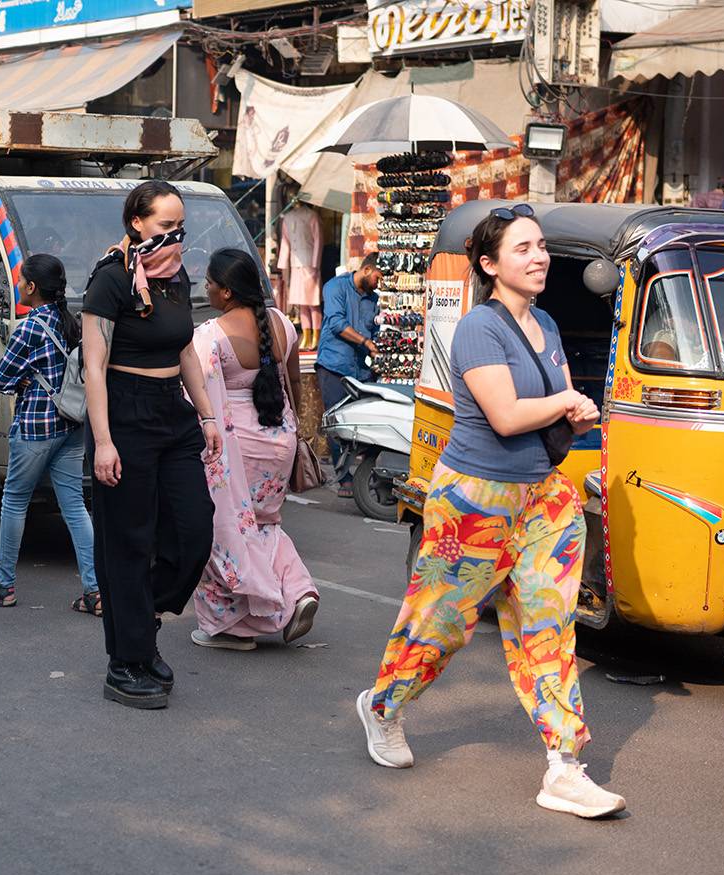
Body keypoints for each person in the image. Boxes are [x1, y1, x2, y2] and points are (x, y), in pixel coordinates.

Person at [354, 205, 621, 818]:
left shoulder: (547, 325)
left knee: (550, 626)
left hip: (543, 498)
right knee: (442, 624)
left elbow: (549, 405)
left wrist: (573, 411)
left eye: (541, 247)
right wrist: (566, 402)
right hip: (475, 499)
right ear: (490, 264)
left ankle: (564, 766)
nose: (539, 257)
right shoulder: (479, 327)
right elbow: (505, 416)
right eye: (523, 248)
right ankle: (383, 706)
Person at [82, 181, 221, 710]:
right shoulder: (111, 280)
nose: (175, 236)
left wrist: (205, 414)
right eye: (165, 226)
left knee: (194, 531)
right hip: (125, 410)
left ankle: (142, 616)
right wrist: (103, 442)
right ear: (136, 223)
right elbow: (94, 365)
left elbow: (185, 348)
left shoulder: (175, 277)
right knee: (129, 541)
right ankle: (127, 659)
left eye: (179, 227)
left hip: (173, 412)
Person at [186, 248, 320, 650]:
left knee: (221, 531)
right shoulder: (281, 323)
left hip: (234, 448)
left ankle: (234, 627)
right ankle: (298, 590)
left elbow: (197, 395)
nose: (205, 289)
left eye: (209, 283)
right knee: (263, 526)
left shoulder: (210, 334)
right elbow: (294, 386)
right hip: (280, 437)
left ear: (226, 291)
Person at [0, 253, 98, 609]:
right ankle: (95, 588)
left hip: (37, 428)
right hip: (72, 425)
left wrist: (22, 377)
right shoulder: (69, 322)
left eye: (22, 280)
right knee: (74, 507)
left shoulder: (28, 328)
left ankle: (3, 585)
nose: (18, 285)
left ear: (32, 287)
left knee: (14, 501)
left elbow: (2, 379)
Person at [316, 255, 382, 497]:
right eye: (377, 277)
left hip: (362, 371)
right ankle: (343, 478)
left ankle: (366, 474)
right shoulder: (335, 287)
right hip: (334, 365)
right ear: (366, 269)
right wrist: (365, 341)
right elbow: (335, 323)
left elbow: (375, 329)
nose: (378, 283)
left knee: (365, 424)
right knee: (337, 424)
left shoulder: (374, 300)